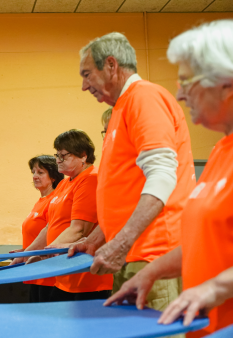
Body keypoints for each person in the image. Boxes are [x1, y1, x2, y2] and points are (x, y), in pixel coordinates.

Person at [106, 20, 233, 337]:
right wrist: (151, 273)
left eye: (188, 81)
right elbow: (204, 242)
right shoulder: (221, 151)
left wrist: (214, 288)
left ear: (227, 84)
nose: (179, 93)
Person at [70, 32, 196, 311]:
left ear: (112, 65)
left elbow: (163, 176)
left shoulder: (144, 98)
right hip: (130, 252)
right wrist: (97, 239)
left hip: (155, 254)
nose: (83, 85)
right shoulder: (120, 109)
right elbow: (128, 189)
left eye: (87, 74)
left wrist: (120, 242)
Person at [15, 130, 113, 301]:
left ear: (83, 156)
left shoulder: (90, 179)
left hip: (85, 278)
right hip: (63, 274)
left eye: (63, 155)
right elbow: (49, 227)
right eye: (57, 154)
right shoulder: (65, 183)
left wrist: (44, 255)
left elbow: (79, 229)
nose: (58, 160)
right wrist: (26, 254)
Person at [14, 155, 64, 303]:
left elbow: (51, 232)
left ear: (53, 177)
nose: (35, 176)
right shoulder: (41, 201)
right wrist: (24, 251)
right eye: (33, 172)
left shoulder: (55, 200)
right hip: (34, 269)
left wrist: (28, 252)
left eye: (40, 172)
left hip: (47, 273)